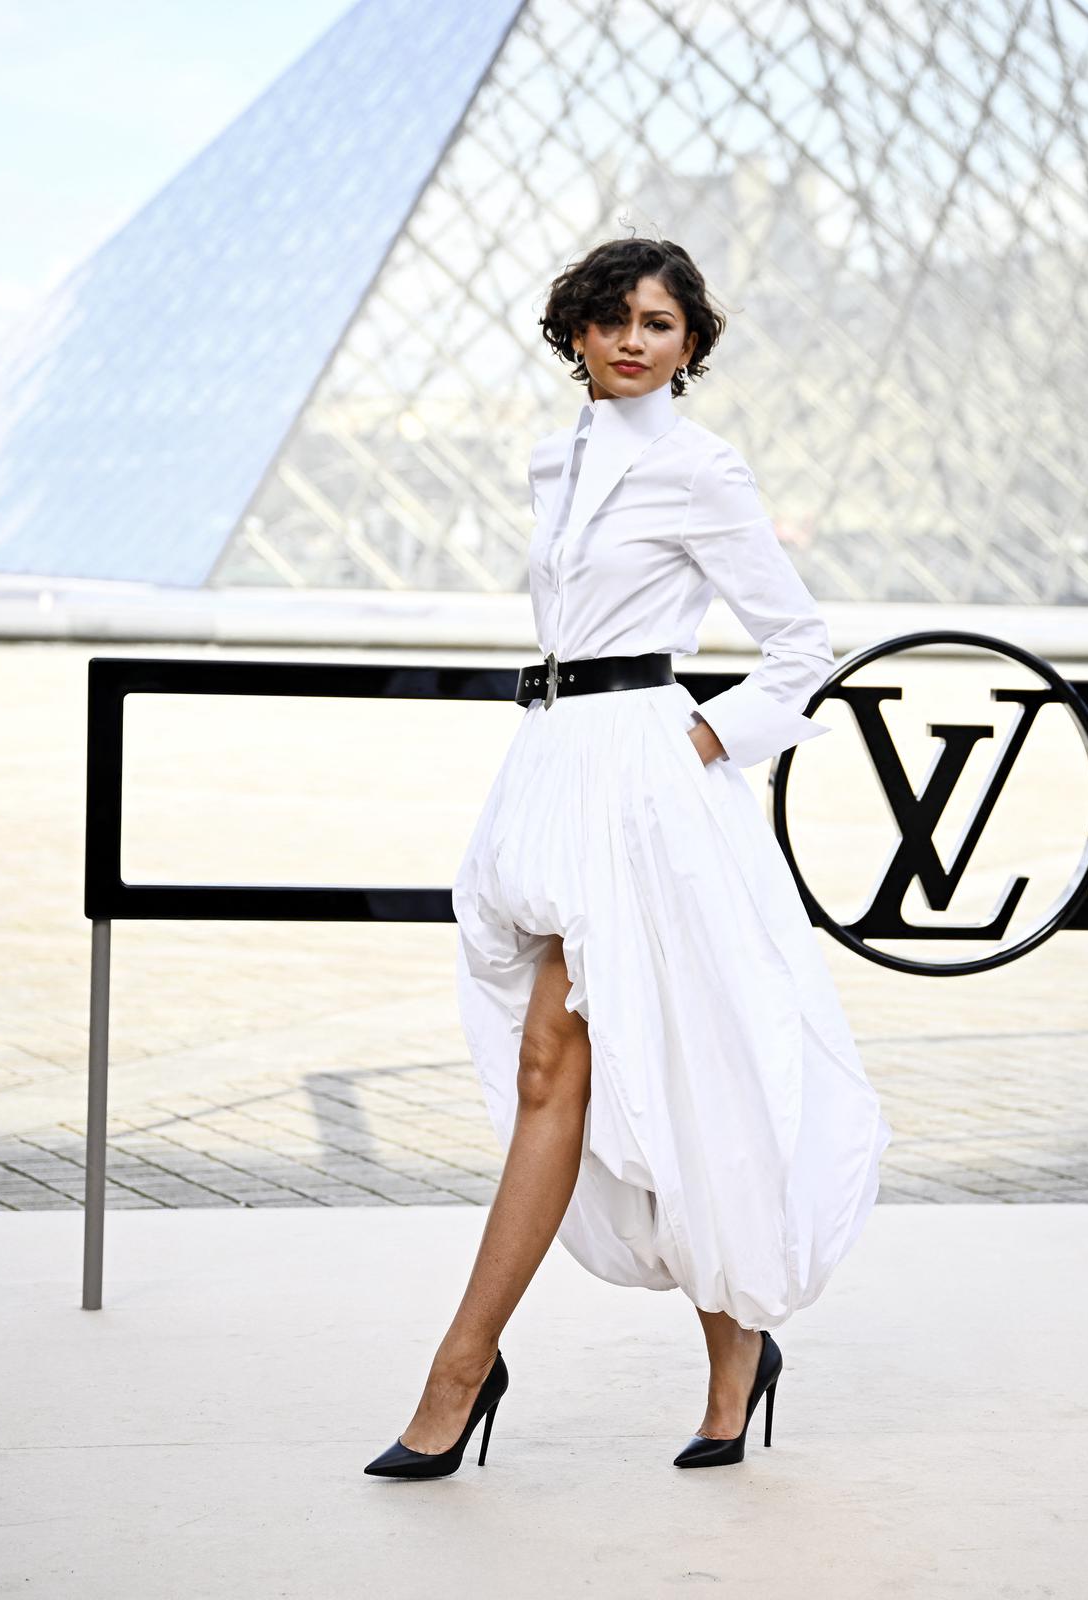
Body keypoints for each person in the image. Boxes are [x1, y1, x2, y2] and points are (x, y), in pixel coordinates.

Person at [364, 237, 892, 1481]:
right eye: (610, 319)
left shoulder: (703, 470)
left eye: (659, 322)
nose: (632, 339)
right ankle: (735, 1352)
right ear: (577, 336)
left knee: (563, 1063)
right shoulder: (555, 459)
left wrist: (709, 738)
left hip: (647, 785)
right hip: (553, 766)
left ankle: (460, 1369)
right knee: (654, 1074)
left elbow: (798, 645)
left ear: (691, 344)